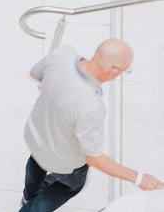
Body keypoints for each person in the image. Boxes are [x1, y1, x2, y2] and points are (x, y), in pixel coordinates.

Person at [21, 39, 164, 211]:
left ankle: (28, 196)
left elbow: (35, 74)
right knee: (70, 186)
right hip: (66, 163)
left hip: (36, 139)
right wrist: (139, 178)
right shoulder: (91, 106)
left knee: (36, 166)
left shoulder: (63, 54)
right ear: (113, 71)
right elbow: (94, 158)